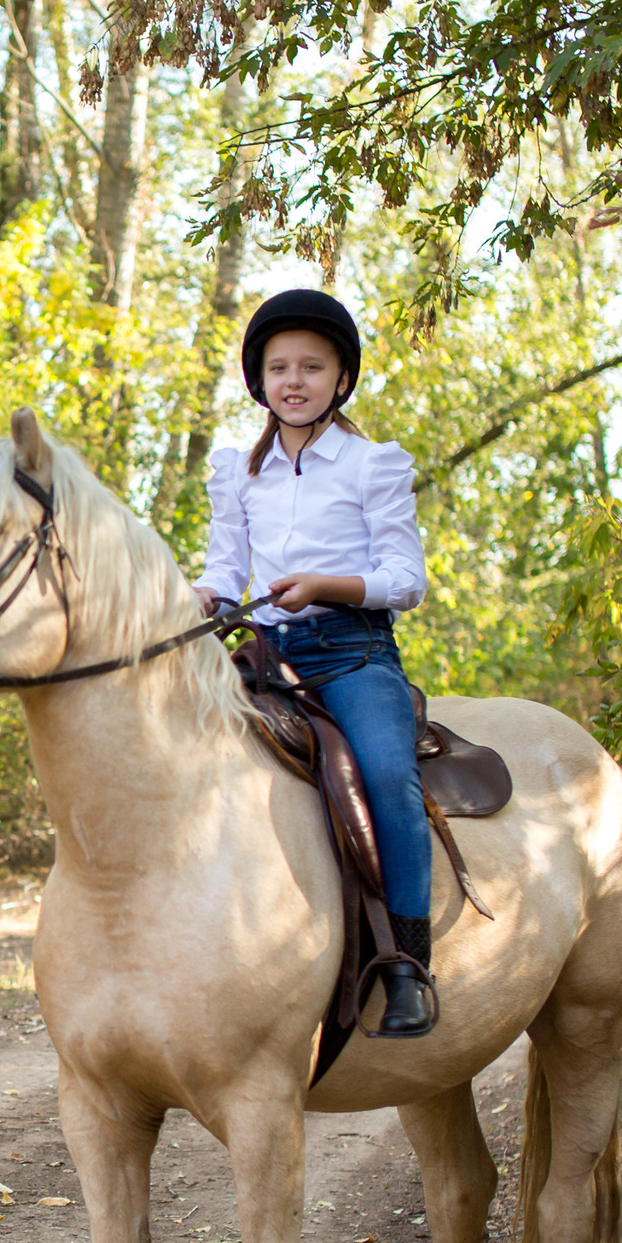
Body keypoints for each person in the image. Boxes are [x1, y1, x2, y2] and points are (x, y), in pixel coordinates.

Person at [192, 288, 438, 1037]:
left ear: (341, 379)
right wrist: (198, 595)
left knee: (390, 779)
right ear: (258, 381)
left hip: (352, 653)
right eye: (279, 368)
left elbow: (408, 579)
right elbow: (224, 565)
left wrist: (326, 588)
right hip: (264, 657)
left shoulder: (373, 465)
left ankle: (405, 963)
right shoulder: (238, 471)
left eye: (311, 367)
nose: (293, 380)